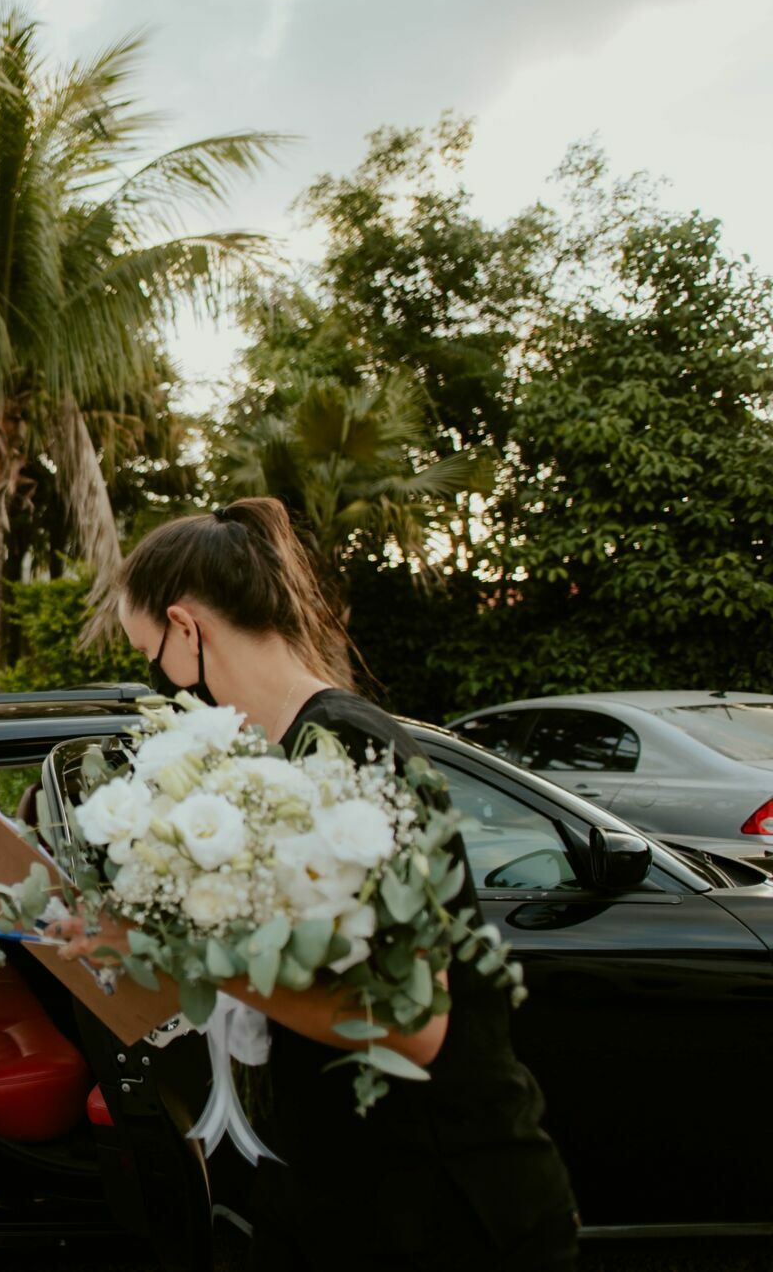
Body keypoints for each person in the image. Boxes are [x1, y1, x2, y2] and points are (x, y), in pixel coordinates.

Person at [64, 498, 577, 1272]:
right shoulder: (275, 755)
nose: (159, 677)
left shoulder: (351, 748)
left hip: (441, 1197)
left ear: (186, 626)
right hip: (334, 1182)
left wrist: (185, 958)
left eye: (151, 654)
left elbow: (415, 1021)